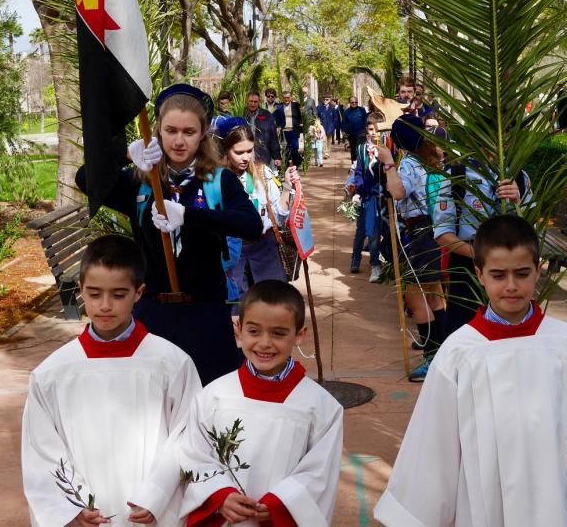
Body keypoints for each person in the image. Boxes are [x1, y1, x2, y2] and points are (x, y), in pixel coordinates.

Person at [374, 215, 567, 526]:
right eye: (498, 275)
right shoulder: (459, 352)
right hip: (481, 509)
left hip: (552, 505)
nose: (511, 286)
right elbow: (434, 445)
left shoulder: (566, 345)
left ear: (538, 269)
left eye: (522, 273)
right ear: (479, 274)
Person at [76, 84, 263, 384]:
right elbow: (85, 179)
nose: (179, 140)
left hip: (204, 313)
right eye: (170, 130)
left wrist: (189, 216)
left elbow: (251, 225)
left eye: (189, 132)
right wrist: (124, 154)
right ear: (158, 131)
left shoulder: (218, 180)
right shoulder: (142, 181)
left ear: (202, 133)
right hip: (153, 314)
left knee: (209, 403)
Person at [22, 235, 202, 526]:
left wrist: (155, 495)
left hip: (153, 511)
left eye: (118, 294)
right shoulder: (52, 373)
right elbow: (41, 449)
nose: (105, 305)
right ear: (80, 289)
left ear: (139, 292)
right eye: (94, 294)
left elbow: (188, 436)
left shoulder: (171, 363)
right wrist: (74, 506)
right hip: (86, 513)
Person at [178, 280, 343, 526]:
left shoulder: (321, 407)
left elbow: (320, 473)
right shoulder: (213, 395)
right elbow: (193, 454)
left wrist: (280, 503)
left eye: (278, 333)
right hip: (225, 517)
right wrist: (220, 496)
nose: (264, 343)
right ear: (238, 330)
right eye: (254, 331)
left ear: (299, 335)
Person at [432, 154, 533, 335]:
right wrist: (482, 255)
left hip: (511, 269)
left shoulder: (519, 176)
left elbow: (532, 231)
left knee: (510, 336)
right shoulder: (457, 174)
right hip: (467, 268)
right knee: (464, 334)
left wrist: (517, 203)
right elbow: (442, 233)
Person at [383, 115, 448, 382]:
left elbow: (398, 192)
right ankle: (443, 351)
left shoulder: (409, 161)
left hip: (422, 231)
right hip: (438, 230)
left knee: (415, 295)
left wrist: (388, 163)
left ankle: (433, 357)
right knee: (435, 294)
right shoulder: (433, 156)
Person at [219, 120, 301, 297]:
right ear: (225, 150)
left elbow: (278, 217)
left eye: (249, 151)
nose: (245, 157)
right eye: (239, 152)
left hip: (264, 248)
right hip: (232, 254)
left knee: (274, 304)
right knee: (237, 311)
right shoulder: (215, 181)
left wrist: (287, 186)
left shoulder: (262, 174)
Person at [346, 120, 388, 281]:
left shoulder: (386, 149)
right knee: (366, 230)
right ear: (366, 130)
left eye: (376, 130)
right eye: (371, 129)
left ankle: (379, 261)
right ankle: (363, 260)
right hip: (367, 196)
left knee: (378, 231)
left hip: (384, 196)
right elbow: (358, 172)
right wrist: (358, 189)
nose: (373, 133)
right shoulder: (362, 148)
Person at [244, 91, 281, 168]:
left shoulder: (267, 115)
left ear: (259, 102)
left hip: (262, 154)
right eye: (251, 101)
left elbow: (273, 137)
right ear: (247, 101)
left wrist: (277, 156)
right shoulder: (241, 114)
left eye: (255, 102)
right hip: (246, 154)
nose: (253, 104)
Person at [274, 89, 304, 167]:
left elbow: (300, 117)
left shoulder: (296, 105)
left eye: (288, 97)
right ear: (282, 98)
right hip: (284, 131)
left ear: (290, 98)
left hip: (293, 131)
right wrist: (277, 126)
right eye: (285, 98)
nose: (286, 99)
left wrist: (301, 126)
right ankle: (287, 165)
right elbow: (276, 118)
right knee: (286, 149)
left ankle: (297, 163)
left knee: (294, 148)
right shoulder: (278, 107)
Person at [341, 95, 369, 164]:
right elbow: (344, 122)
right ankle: (353, 165)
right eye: (352, 102)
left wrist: (367, 130)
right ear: (350, 103)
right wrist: (343, 131)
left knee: (360, 150)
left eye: (356, 102)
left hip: (361, 134)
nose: (354, 103)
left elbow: (366, 120)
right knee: (353, 151)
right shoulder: (346, 112)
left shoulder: (362, 110)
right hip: (351, 135)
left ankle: (361, 166)